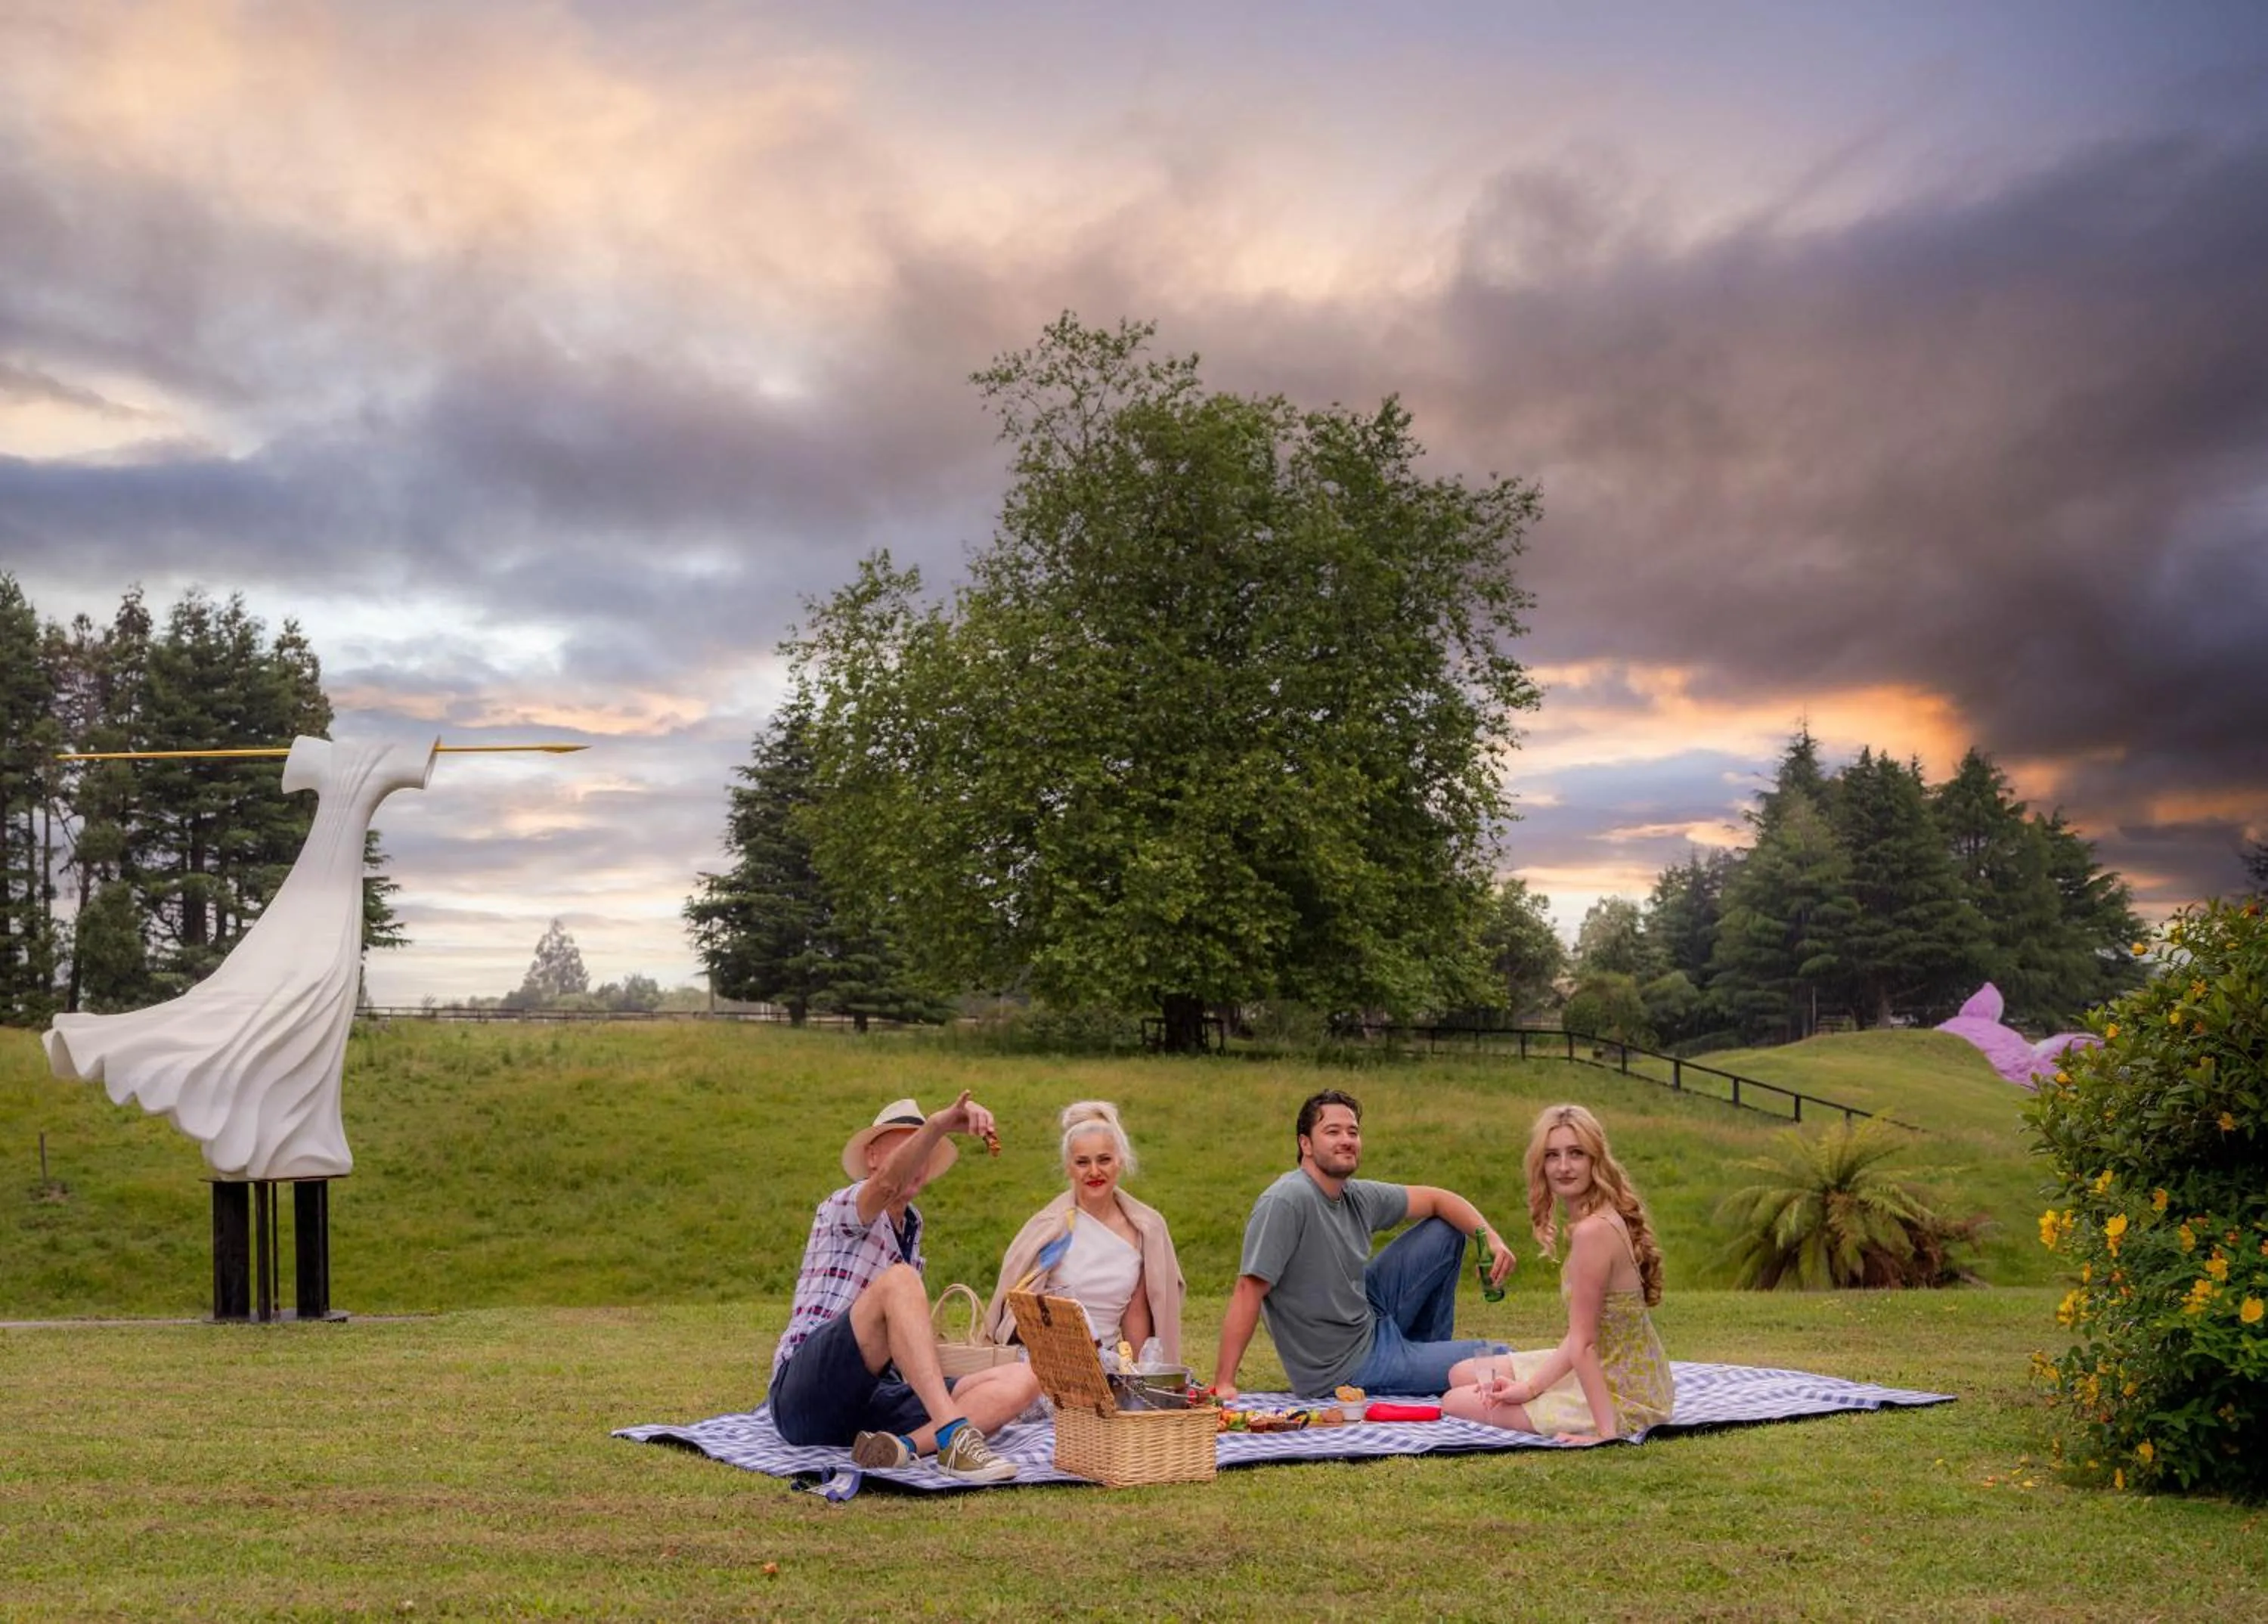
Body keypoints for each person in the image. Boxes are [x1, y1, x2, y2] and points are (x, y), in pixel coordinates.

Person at [767, 1092, 1040, 1482]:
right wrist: (938, 1125)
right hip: (805, 1395)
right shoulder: (844, 1205)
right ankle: (954, 1438)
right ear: (873, 1157)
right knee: (900, 1280)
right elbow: (887, 1184)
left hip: (873, 1400)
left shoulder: (912, 1224)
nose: (918, 1159)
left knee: (1023, 1377)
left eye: (925, 1152)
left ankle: (903, 1448)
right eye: (908, 1147)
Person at [1212, 1088, 1517, 1401]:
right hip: (1346, 1366)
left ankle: (1425, 1351)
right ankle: (1424, 1367)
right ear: (1306, 1144)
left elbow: (1439, 1199)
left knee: (1445, 1230)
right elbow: (1249, 1289)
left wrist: (1490, 1238)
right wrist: (1224, 1382)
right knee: (1504, 1362)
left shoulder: (1355, 1196)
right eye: (1332, 1131)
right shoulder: (1287, 1200)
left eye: (1353, 1131)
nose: (1346, 1139)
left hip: (1369, 1316)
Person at [1440, 1103, 1674, 1443]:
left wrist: (1606, 1436)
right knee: (1461, 1373)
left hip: (1623, 1392)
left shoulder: (1593, 1232)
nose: (1563, 1167)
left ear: (1596, 1159)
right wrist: (1530, 1388)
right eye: (1552, 1156)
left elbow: (1585, 1344)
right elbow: (1584, 1335)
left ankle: (1602, 1423)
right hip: (1611, 1365)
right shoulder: (1595, 1219)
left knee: (1455, 1400)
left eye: (1576, 1153)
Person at [984, 1101, 1185, 1361]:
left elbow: (1137, 1314)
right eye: (1082, 1162)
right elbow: (1018, 1312)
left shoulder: (1146, 1229)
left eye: (1104, 1160)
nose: (1094, 1172)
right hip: (1044, 1360)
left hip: (1107, 1363)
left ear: (1119, 1162)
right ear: (1069, 1167)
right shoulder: (1048, 1227)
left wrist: (1139, 1381)